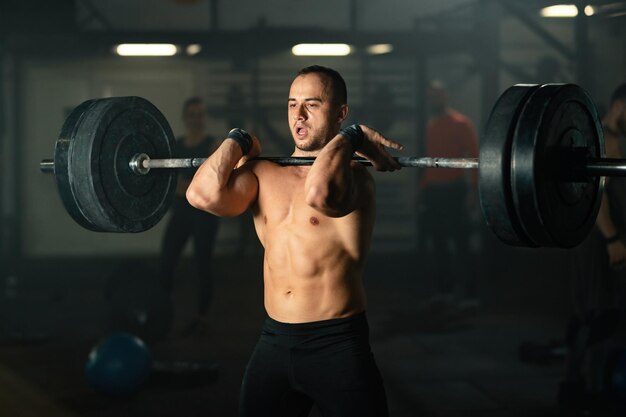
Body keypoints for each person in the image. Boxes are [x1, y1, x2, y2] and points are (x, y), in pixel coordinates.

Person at [187, 65, 402, 416]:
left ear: (340, 113)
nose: (298, 115)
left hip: (337, 346)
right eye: (291, 104)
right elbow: (202, 195)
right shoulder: (264, 172)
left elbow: (318, 193)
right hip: (274, 342)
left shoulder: (355, 178)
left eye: (312, 104)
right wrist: (238, 139)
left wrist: (352, 138)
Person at [561, 83, 626, 413]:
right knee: (599, 315)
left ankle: (576, 388)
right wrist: (613, 239)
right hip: (598, 243)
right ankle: (588, 391)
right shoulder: (603, 140)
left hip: (600, 241)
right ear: (618, 106)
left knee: (592, 314)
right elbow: (595, 196)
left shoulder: (610, 138)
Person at [158, 96, 220, 336]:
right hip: (182, 213)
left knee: (202, 265)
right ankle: (163, 311)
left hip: (204, 215)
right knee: (166, 262)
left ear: (204, 118)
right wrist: (189, 186)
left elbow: (214, 183)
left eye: (200, 114)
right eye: (192, 114)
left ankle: (201, 317)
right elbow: (169, 183)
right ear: (185, 118)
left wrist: (187, 187)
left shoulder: (212, 146)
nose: (196, 119)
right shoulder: (177, 146)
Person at [417, 80, 480, 312]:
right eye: (431, 96)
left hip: (454, 191)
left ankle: (470, 295)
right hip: (434, 193)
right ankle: (444, 292)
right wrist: (422, 191)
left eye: (437, 95)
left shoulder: (460, 124)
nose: (434, 100)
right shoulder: (430, 126)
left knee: (462, 243)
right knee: (439, 243)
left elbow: (474, 157)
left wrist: (473, 190)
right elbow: (429, 161)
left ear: (445, 97)